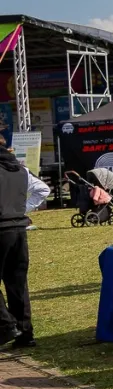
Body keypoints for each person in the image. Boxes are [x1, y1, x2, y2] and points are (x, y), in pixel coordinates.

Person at [0, 136, 35, 349]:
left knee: (17, 283)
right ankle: (25, 333)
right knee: (18, 284)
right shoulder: (20, 170)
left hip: (1, 228)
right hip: (19, 229)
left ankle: (7, 325)